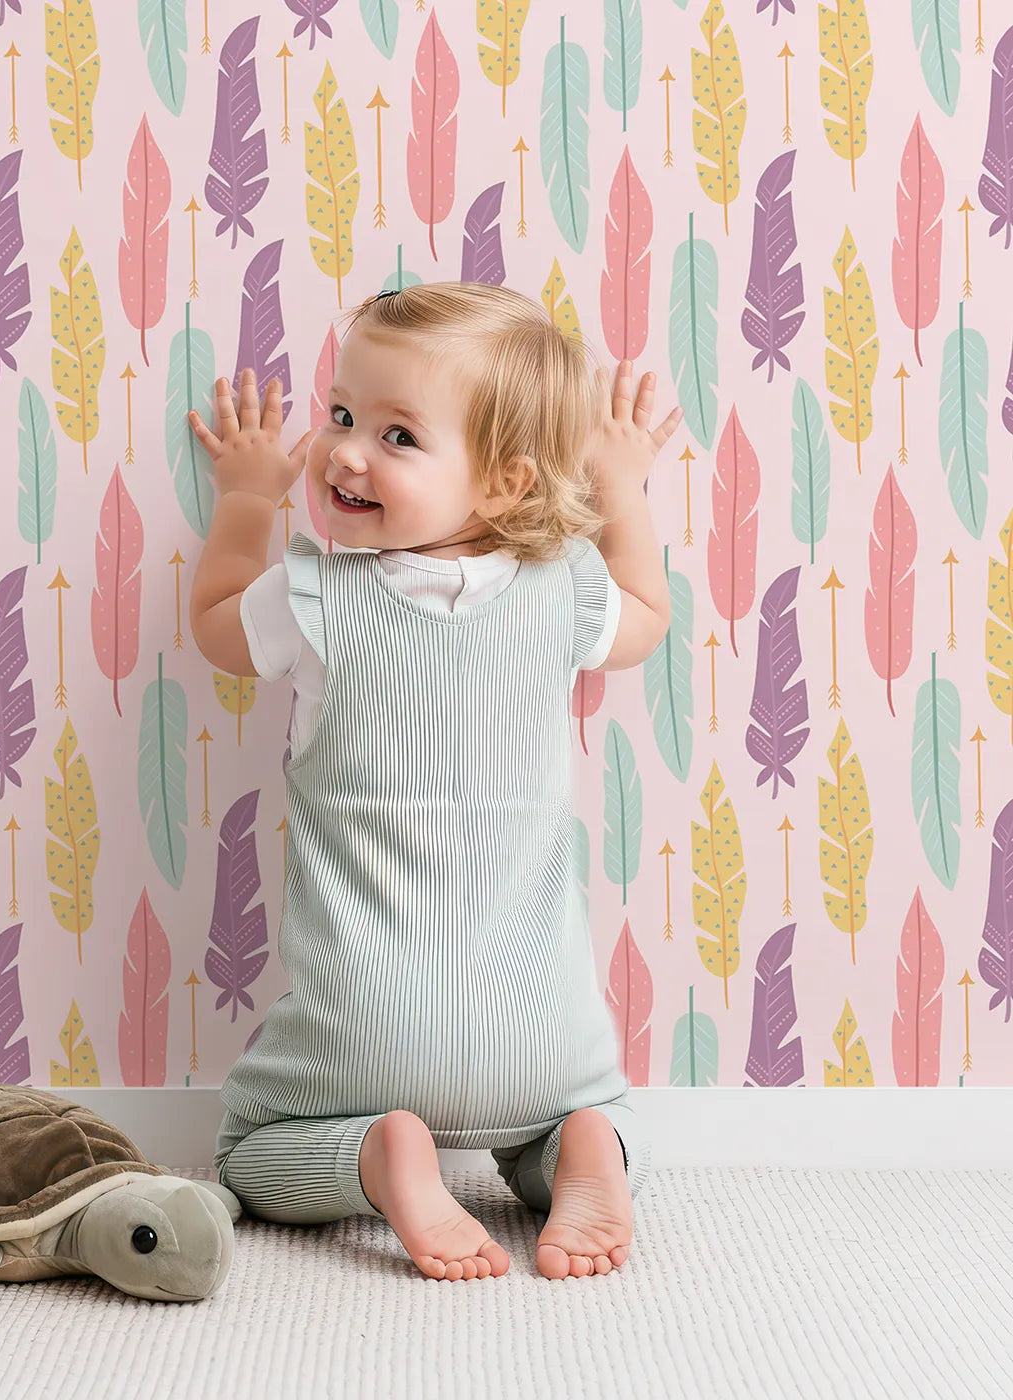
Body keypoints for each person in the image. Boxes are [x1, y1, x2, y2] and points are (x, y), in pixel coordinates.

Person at [186, 281, 682, 1282]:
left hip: (361, 1033)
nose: (342, 452)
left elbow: (214, 625)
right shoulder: (564, 587)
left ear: (502, 484)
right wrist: (620, 484)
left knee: (246, 1153)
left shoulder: (312, 596)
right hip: (539, 1037)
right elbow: (645, 613)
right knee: (588, 1113)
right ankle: (580, 1141)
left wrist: (244, 498)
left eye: (396, 435)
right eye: (340, 414)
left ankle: (378, 1153)